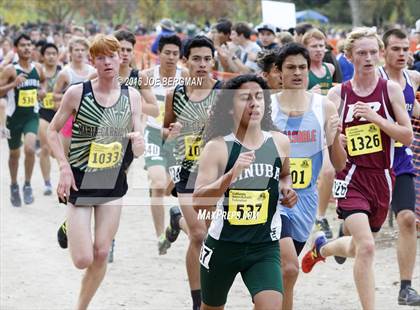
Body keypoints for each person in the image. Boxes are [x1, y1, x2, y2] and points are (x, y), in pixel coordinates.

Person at [301, 27, 413, 310]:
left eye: (373, 52)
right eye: (361, 53)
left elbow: (407, 135)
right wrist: (334, 138)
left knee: (357, 246)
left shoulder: (391, 90)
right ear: (349, 57)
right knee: (367, 247)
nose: (368, 57)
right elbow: (321, 139)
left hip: (383, 177)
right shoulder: (339, 94)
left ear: (380, 54)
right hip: (350, 176)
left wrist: (376, 118)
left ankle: (322, 248)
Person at [47, 34, 144, 310]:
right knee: (82, 259)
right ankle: (69, 224)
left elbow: (137, 144)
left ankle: (81, 307)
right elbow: (53, 131)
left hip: (112, 180)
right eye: (100, 57)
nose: (107, 62)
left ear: (120, 58)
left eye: (111, 56)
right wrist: (63, 167)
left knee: (101, 252)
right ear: (93, 62)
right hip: (80, 180)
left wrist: (139, 143)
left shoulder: (132, 96)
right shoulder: (78, 93)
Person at [193, 74, 297, 310]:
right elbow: (199, 201)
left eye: (259, 97)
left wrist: (286, 188)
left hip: (264, 245)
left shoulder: (280, 142)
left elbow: (285, 174)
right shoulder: (217, 147)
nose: (254, 103)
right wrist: (231, 175)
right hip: (223, 246)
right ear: (230, 108)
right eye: (245, 98)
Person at [271, 42, 346, 310]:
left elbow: (339, 165)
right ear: (279, 71)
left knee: (285, 276)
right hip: (273, 201)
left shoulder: (324, 107)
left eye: (302, 67)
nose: (297, 72)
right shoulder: (267, 107)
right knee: (289, 269)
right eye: (290, 67)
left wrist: (333, 138)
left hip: (305, 202)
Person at [162, 35, 222, 310]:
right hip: (186, 172)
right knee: (199, 235)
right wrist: (170, 135)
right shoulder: (176, 94)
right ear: (185, 61)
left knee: (208, 232)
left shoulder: (225, 93)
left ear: (213, 60)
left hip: (217, 173)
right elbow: (165, 132)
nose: (202, 64)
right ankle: (198, 301)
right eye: (196, 59)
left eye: (207, 59)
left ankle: (177, 220)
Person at [377, 28, 420, 306]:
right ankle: (324, 248)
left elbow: (412, 109)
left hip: (400, 160)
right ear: (384, 51)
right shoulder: (373, 78)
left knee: (407, 219)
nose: (402, 54)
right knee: (363, 236)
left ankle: (406, 287)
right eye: (396, 49)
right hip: (370, 164)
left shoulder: (412, 79)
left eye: (406, 49)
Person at [142, 34, 188, 254]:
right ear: (158, 54)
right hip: (153, 135)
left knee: (174, 186)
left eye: (175, 54)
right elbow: (139, 110)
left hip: (178, 138)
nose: (171, 57)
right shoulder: (145, 77)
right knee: (159, 184)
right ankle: (160, 236)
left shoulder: (186, 76)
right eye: (167, 53)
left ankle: (173, 224)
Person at [0, 33, 46, 207]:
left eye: (29, 45)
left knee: (29, 149)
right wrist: (13, 84)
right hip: (14, 118)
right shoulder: (10, 70)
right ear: (16, 48)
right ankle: (13, 185)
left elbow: (43, 82)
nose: (27, 48)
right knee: (14, 154)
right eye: (23, 45)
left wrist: (42, 91)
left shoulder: (38, 68)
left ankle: (27, 185)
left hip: (31, 116)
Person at [53, 36, 96, 157]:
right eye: (76, 50)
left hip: (89, 117)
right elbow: (54, 95)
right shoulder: (65, 73)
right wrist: (71, 99)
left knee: (88, 155)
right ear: (70, 52)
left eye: (83, 50)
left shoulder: (93, 72)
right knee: (67, 155)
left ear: (87, 52)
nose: (80, 52)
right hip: (69, 118)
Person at [38, 42, 61, 195]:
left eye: (54, 53)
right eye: (48, 54)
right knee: (45, 148)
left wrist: (55, 97)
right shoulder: (38, 72)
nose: (51, 56)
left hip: (60, 113)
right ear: (43, 56)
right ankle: (47, 183)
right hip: (42, 112)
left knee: (59, 151)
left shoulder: (63, 73)